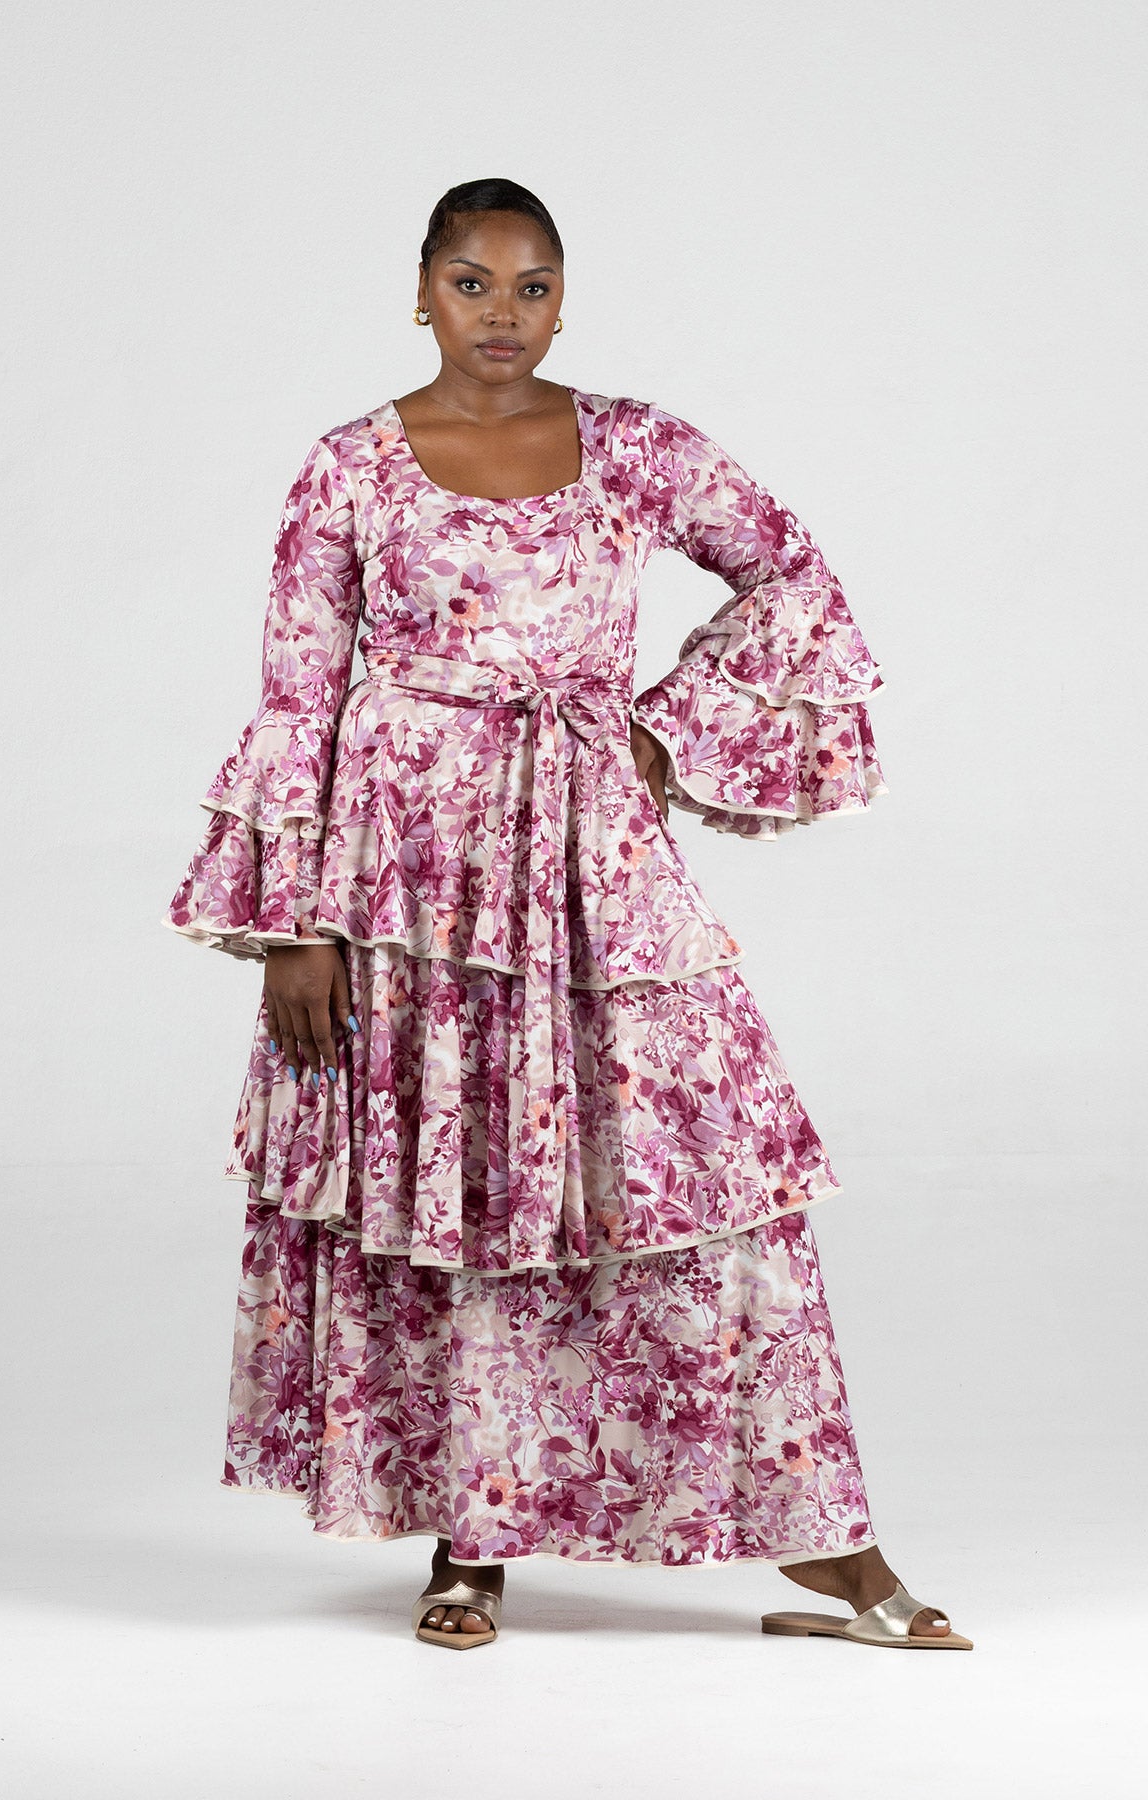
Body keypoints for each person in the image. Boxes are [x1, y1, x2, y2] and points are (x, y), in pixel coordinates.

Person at [163, 177, 972, 1653]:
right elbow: (296, 700)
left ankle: (829, 1546)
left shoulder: (639, 447)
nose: (502, 313)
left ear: (563, 300)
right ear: (421, 292)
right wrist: (294, 925)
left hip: (591, 863)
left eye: (531, 286)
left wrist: (664, 733)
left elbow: (790, 575)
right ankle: (467, 1544)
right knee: (460, 1185)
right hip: (405, 886)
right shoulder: (347, 468)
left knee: (697, 1172)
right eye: (471, 283)